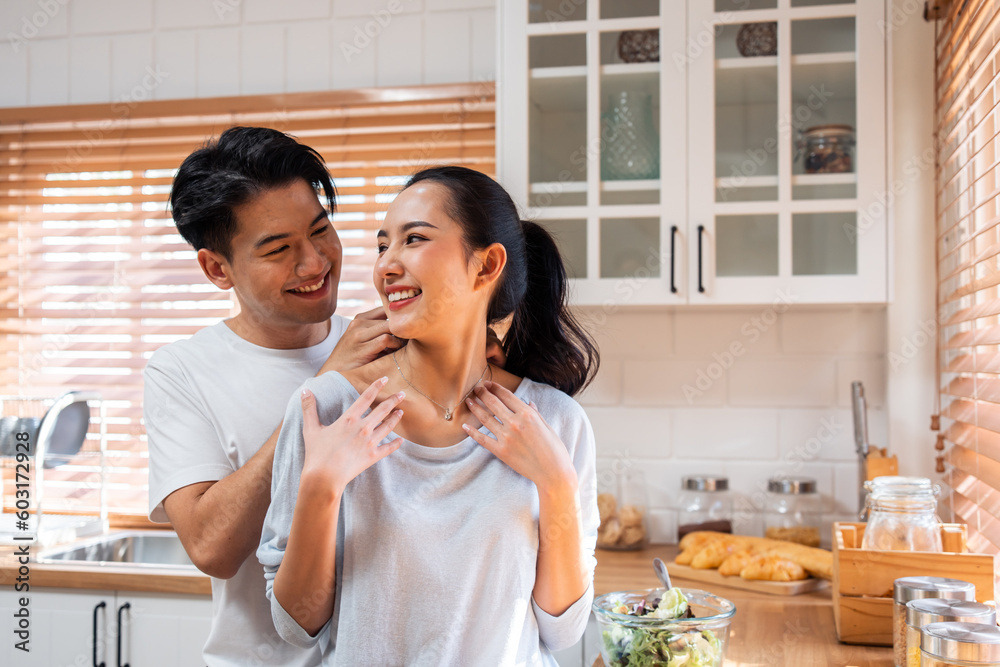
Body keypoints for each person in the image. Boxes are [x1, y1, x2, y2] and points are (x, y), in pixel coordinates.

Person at [257, 165, 601, 665]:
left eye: (413, 239)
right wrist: (321, 488)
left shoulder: (555, 422)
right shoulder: (330, 408)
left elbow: (563, 629)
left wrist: (556, 486)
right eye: (382, 246)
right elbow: (296, 626)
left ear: (486, 267)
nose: (385, 266)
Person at [143, 126, 404, 666]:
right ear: (218, 268)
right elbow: (212, 547)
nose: (314, 263)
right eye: (279, 249)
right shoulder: (182, 371)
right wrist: (324, 385)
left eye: (321, 229)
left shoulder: (382, 342)